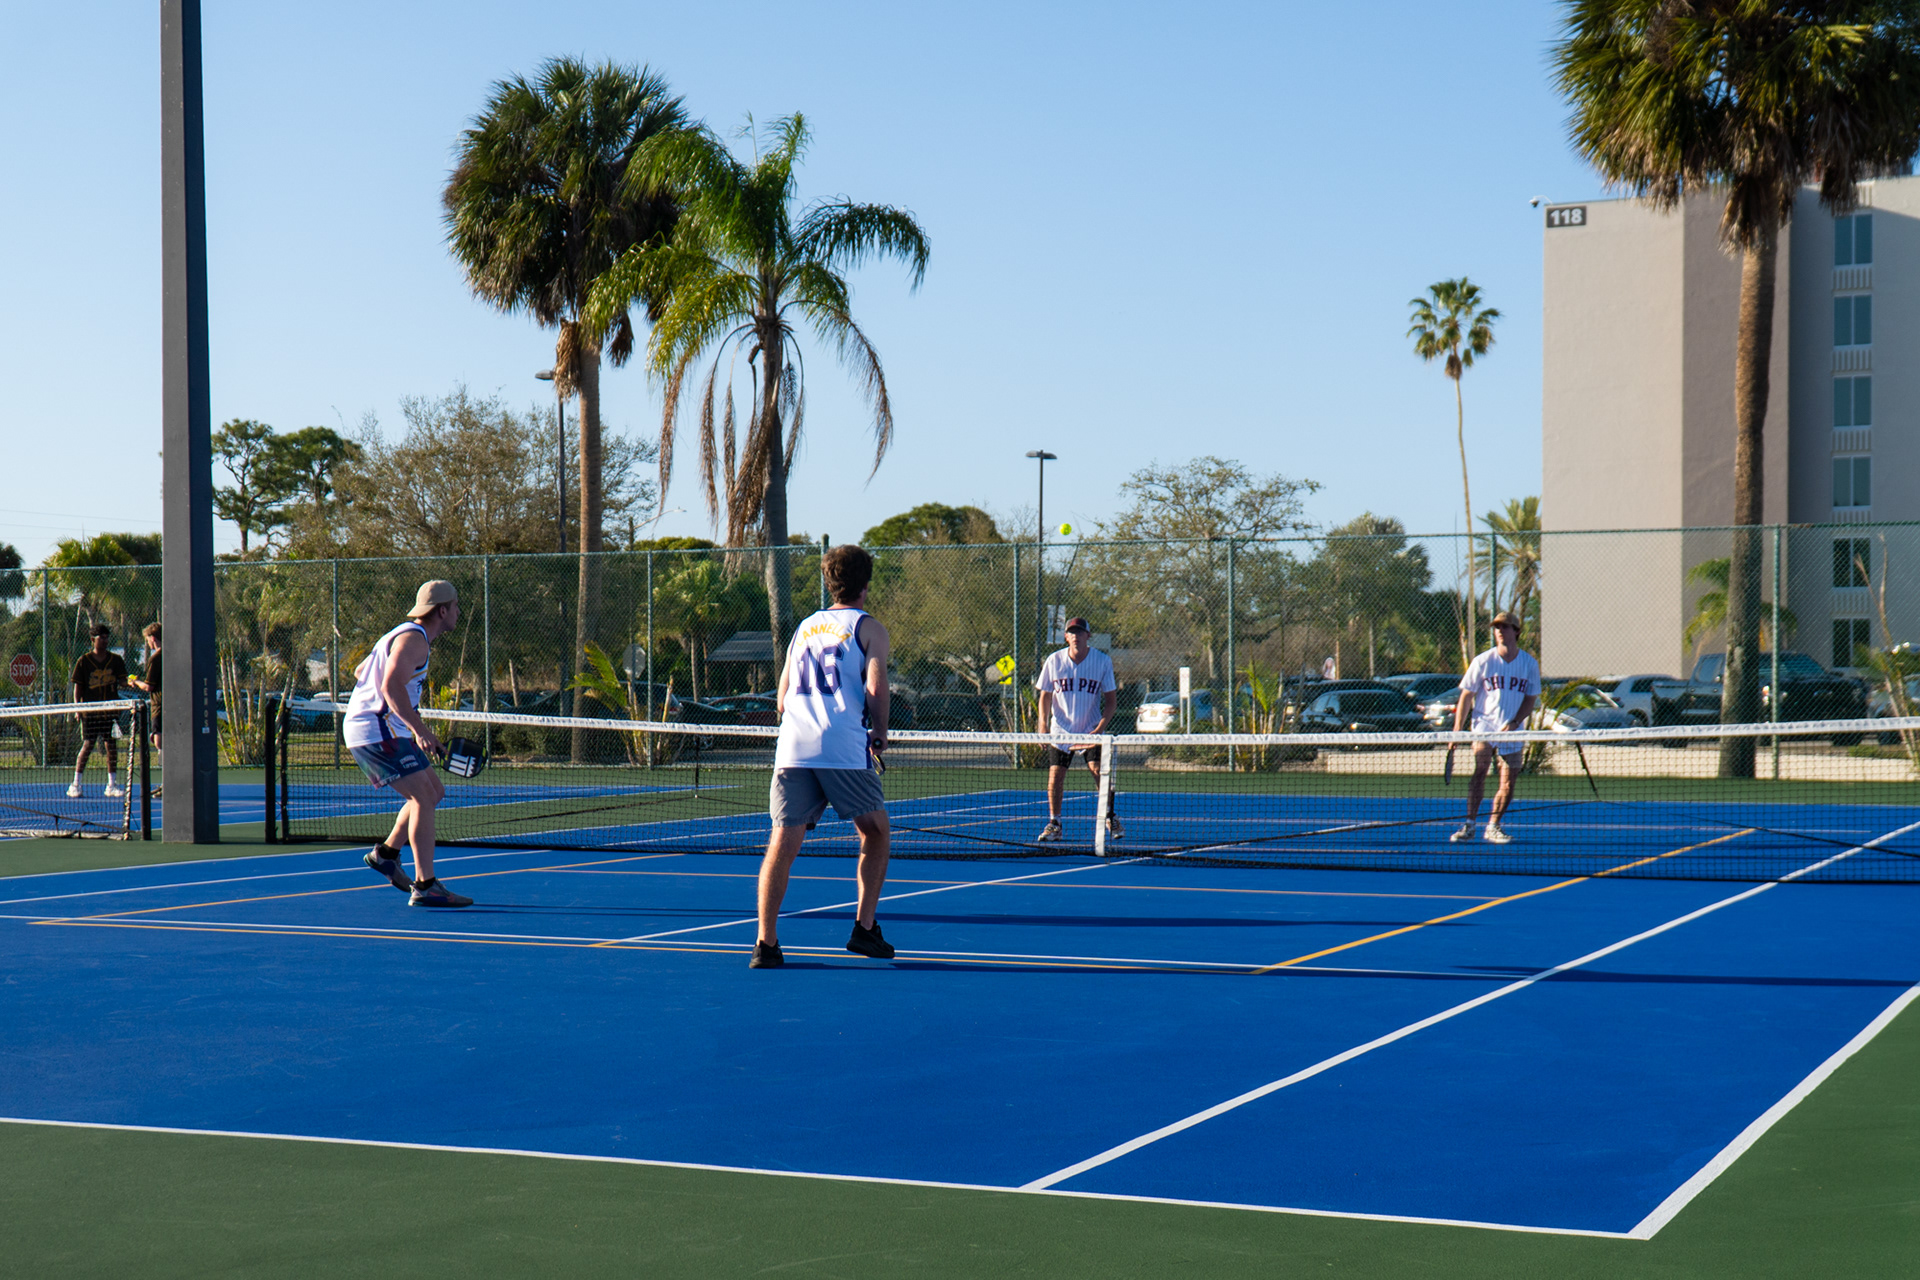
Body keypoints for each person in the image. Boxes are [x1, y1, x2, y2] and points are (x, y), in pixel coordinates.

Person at [752, 544, 895, 969]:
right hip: (842, 746)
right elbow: (876, 686)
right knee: (875, 832)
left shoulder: (804, 628)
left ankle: (766, 943)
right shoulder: (869, 628)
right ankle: (864, 927)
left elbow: (780, 700)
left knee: (782, 842)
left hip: (793, 747)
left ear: (829, 583)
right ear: (865, 586)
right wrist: (880, 733)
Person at [342, 580, 470, 907]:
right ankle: (425, 885)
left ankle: (386, 854)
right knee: (423, 797)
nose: (458, 612)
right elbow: (390, 685)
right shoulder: (415, 640)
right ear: (442, 611)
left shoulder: (402, 635)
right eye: (455, 607)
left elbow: (363, 671)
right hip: (375, 729)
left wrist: (408, 717)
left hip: (384, 727)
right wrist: (420, 730)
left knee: (433, 792)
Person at [1449, 610, 1540, 845]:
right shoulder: (1483, 661)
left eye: (1505, 627)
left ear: (1516, 631)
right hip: (1484, 727)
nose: (1500, 631)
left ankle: (1493, 826)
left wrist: (1514, 723)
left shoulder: (1529, 664)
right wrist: (1457, 731)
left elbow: (1530, 699)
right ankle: (1469, 825)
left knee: (1508, 781)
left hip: (1512, 730)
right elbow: (1466, 696)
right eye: (1497, 627)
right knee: (1480, 770)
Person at [1034, 617, 1123, 843]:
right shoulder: (1054, 661)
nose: (1075, 636)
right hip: (1061, 730)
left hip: (1090, 729)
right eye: (1071, 632)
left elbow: (1111, 701)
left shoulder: (1102, 661)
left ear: (1088, 636)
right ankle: (1055, 823)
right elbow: (1044, 695)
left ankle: (1110, 817)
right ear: (1066, 637)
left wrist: (1100, 729)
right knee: (1055, 775)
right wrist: (1042, 725)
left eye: (1080, 632)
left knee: (1098, 772)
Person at [68, 624, 131, 799]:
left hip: (110, 711)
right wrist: (78, 709)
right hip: (90, 711)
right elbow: (78, 688)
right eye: (101, 637)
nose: (104, 640)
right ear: (93, 640)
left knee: (111, 746)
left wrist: (132, 682)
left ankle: (111, 785)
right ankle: (76, 784)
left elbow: (123, 682)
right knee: (88, 745)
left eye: (106, 637)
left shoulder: (116, 660)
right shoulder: (84, 661)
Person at [128, 623, 162, 794]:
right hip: (167, 705)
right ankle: (168, 781)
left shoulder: (156, 658)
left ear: (153, 638)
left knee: (159, 741)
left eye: (148, 639)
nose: (148, 643)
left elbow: (149, 686)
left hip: (161, 706)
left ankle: (169, 781)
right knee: (160, 740)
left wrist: (135, 682)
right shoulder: (172, 654)